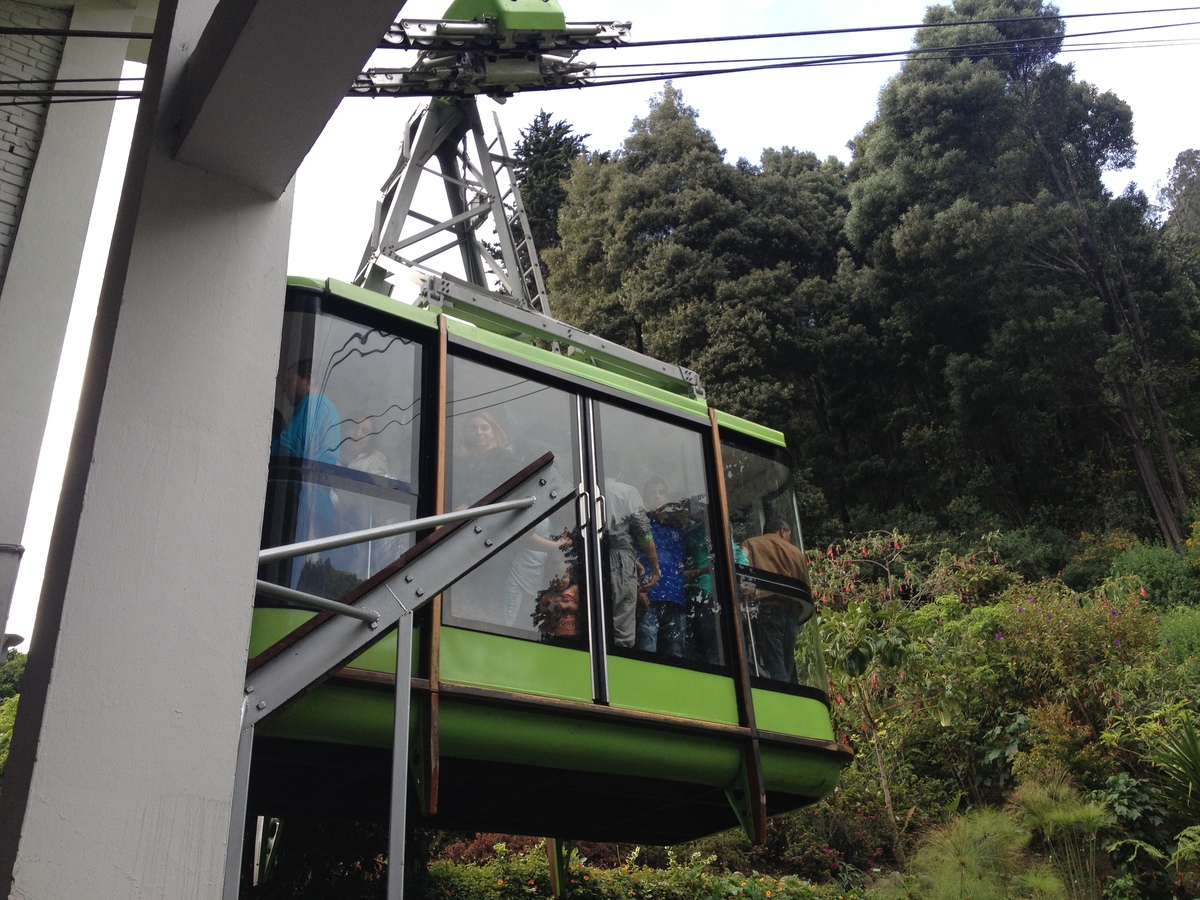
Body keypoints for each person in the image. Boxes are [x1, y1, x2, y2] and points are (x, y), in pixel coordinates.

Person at [739, 516, 813, 684]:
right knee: (787, 663)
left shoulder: (750, 544)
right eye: (789, 535)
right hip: (792, 614)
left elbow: (744, 581)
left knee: (774, 664)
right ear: (782, 531)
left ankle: (783, 699)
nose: (789, 539)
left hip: (766, 608)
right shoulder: (797, 553)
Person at [604, 455, 658, 648]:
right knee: (622, 632)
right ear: (618, 472)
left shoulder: (590, 491)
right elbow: (643, 534)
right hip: (621, 564)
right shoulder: (627, 492)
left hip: (593, 560)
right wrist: (655, 568)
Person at [635, 477, 687, 658]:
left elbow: (681, 564)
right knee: (648, 651)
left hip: (676, 599)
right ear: (645, 498)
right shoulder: (641, 526)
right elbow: (631, 559)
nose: (657, 497)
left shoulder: (677, 529)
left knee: (676, 654)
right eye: (652, 493)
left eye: (661, 493)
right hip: (649, 597)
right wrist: (637, 589)